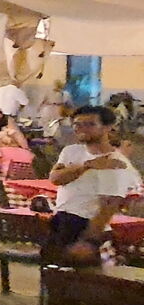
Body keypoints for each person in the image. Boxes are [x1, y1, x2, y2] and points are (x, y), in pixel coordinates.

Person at [45, 105, 142, 265]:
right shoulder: (71, 151)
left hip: (85, 224)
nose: (81, 128)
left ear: (107, 127)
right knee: (51, 272)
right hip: (61, 220)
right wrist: (88, 165)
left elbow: (108, 207)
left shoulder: (116, 163)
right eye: (77, 124)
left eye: (89, 124)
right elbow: (56, 178)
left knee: (81, 276)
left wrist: (88, 241)